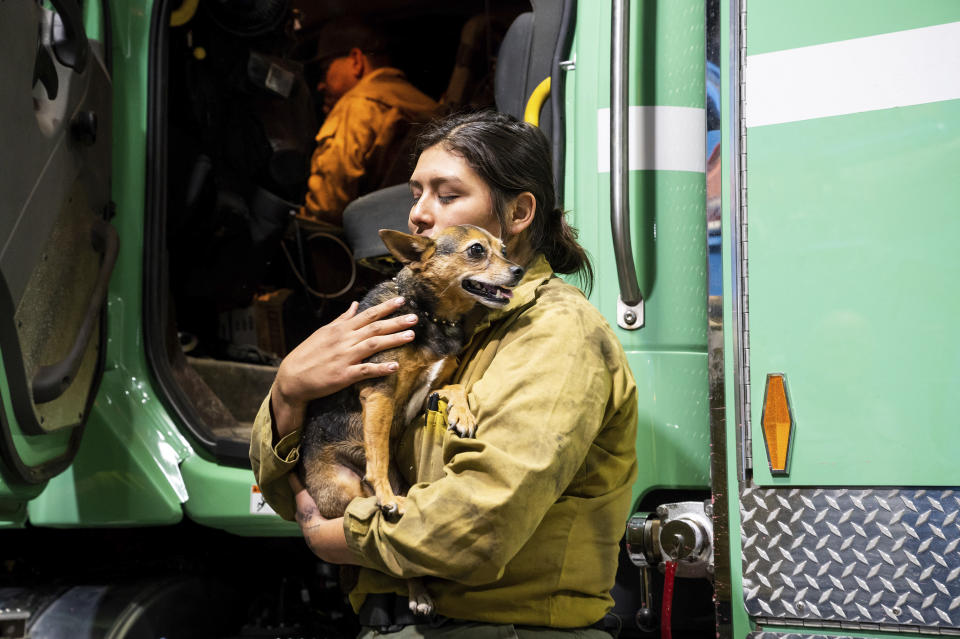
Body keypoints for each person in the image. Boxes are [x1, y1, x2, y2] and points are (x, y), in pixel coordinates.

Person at [250, 111, 638, 637]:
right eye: (416, 194)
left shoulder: (557, 335)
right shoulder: (430, 323)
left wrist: (339, 539)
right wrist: (290, 389)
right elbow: (291, 495)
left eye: (447, 195)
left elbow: (481, 526)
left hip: (503, 628)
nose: (419, 215)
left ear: (519, 212)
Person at [302, 18, 441, 226]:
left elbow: (327, 207)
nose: (321, 85)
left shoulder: (356, 104)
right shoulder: (426, 104)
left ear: (356, 60)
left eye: (325, 70)